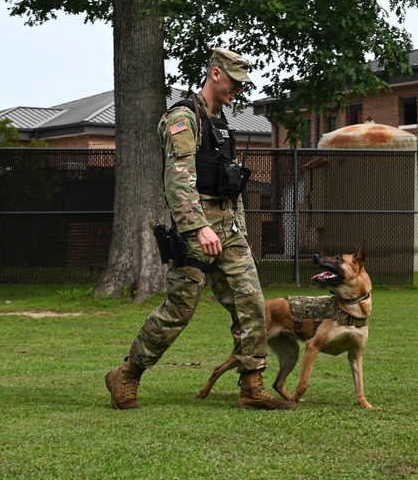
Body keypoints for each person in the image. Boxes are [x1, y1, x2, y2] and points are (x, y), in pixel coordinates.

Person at [105, 47, 295, 411]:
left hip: (229, 227)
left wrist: (238, 229)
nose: (238, 90)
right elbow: (178, 180)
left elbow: (230, 184)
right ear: (216, 74)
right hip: (197, 230)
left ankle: (251, 386)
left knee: (252, 303)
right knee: (180, 308)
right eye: (235, 82)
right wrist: (198, 229)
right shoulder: (183, 117)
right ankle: (127, 374)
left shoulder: (221, 122)